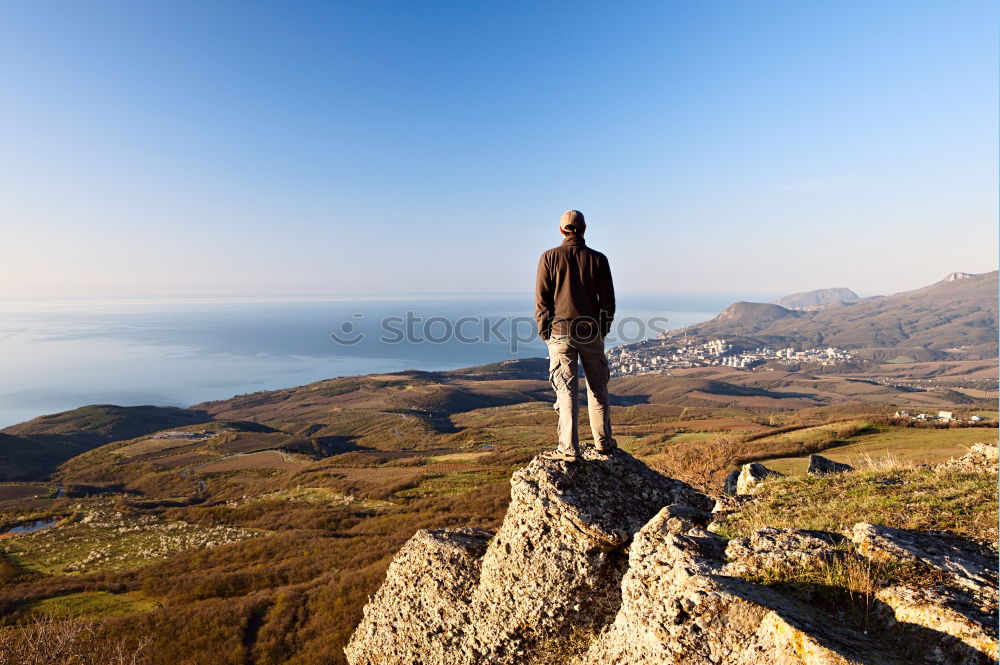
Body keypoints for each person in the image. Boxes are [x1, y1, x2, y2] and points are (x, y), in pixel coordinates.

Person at [535, 209, 617, 462]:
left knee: (566, 391)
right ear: (584, 229)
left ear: (561, 230)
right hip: (591, 331)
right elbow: (608, 302)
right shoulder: (598, 259)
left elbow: (543, 300)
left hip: (560, 333)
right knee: (597, 388)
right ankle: (603, 442)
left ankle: (569, 449)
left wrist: (545, 331)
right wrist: (602, 328)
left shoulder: (549, 257)